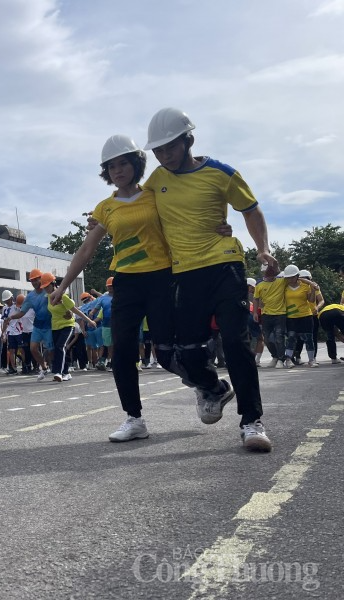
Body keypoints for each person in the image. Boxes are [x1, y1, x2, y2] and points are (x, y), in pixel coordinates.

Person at [51, 134, 232, 443]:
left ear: (136, 164)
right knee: (121, 351)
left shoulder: (155, 194)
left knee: (164, 353)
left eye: (124, 163)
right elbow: (85, 251)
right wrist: (63, 286)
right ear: (105, 172)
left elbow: (186, 216)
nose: (118, 170)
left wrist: (219, 227)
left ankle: (212, 386)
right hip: (126, 283)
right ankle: (134, 419)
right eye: (111, 166)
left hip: (163, 278)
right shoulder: (105, 208)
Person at [143, 107, 278, 451]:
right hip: (184, 274)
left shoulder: (222, 174)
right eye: (158, 150)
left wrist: (262, 249)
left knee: (235, 342)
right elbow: (136, 209)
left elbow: (251, 209)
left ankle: (252, 422)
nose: (164, 155)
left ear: (189, 140)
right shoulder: (157, 180)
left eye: (170, 147)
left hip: (224, 264)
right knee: (184, 351)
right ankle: (213, 388)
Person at [41, 273, 95, 381]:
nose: (46, 289)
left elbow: (76, 311)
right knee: (59, 348)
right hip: (55, 327)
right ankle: (66, 373)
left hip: (67, 325)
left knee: (60, 346)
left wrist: (89, 321)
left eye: (47, 286)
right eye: (44, 287)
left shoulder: (63, 296)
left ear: (53, 284)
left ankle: (58, 372)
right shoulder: (47, 297)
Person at [6, 270, 52, 381]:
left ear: (41, 278)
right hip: (37, 325)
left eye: (36, 279)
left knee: (51, 350)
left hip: (50, 324)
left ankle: (54, 366)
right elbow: (22, 312)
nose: (35, 282)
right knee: (33, 349)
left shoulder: (48, 291)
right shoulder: (30, 297)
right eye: (32, 281)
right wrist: (11, 317)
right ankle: (44, 367)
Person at [281, 265, 318, 367]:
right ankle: (288, 359)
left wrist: (313, 288)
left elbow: (311, 300)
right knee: (291, 338)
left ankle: (311, 360)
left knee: (308, 338)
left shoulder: (305, 286)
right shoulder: (284, 287)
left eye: (293, 277)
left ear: (297, 276)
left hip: (306, 315)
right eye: (288, 277)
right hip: (291, 317)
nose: (291, 279)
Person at [293, 269, 325, 365]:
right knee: (298, 337)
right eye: (302, 278)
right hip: (299, 315)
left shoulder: (314, 287)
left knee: (312, 337)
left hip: (312, 315)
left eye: (306, 278)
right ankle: (297, 356)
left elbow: (321, 300)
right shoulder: (297, 287)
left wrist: (317, 307)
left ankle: (313, 357)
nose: (304, 280)